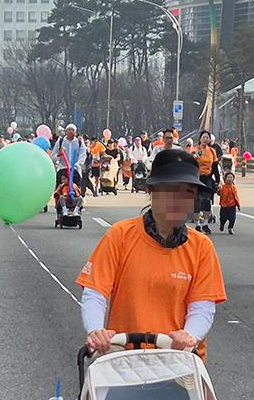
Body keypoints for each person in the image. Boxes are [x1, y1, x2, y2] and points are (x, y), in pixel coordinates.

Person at [78, 148, 227, 360]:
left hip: (179, 360)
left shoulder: (201, 247)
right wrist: (95, 330)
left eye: (188, 193)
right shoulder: (120, 236)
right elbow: (95, 291)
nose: (179, 200)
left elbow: (203, 305)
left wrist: (189, 335)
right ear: (151, 190)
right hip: (124, 358)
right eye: (171, 191)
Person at [192, 130, 220, 234]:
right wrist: (194, 157)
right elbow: (190, 163)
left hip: (207, 178)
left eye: (207, 138)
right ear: (200, 139)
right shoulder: (195, 150)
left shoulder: (212, 151)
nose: (205, 139)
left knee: (207, 202)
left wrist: (217, 181)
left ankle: (205, 224)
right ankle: (197, 224)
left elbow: (215, 167)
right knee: (197, 201)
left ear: (209, 140)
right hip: (196, 178)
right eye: (203, 137)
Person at [52, 125, 87, 189]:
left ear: (75, 132)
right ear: (66, 132)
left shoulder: (79, 143)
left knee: (76, 190)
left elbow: (83, 155)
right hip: (63, 169)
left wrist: (77, 164)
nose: (71, 132)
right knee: (61, 190)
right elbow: (53, 157)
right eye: (69, 130)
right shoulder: (60, 142)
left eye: (73, 130)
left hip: (75, 170)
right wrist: (59, 155)